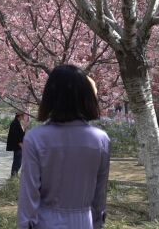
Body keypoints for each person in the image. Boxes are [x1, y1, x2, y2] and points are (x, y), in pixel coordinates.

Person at [17, 65, 110, 229]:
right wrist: (98, 223)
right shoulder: (100, 140)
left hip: (46, 222)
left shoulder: (36, 139)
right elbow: (99, 195)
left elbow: (29, 196)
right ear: (85, 97)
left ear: (49, 97)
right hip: (84, 222)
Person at [6, 113, 25, 177]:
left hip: (18, 145)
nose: (23, 117)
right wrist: (20, 144)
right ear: (19, 116)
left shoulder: (18, 123)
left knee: (18, 161)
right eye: (22, 115)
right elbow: (16, 136)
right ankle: (14, 174)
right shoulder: (15, 123)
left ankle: (15, 174)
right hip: (17, 146)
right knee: (17, 161)